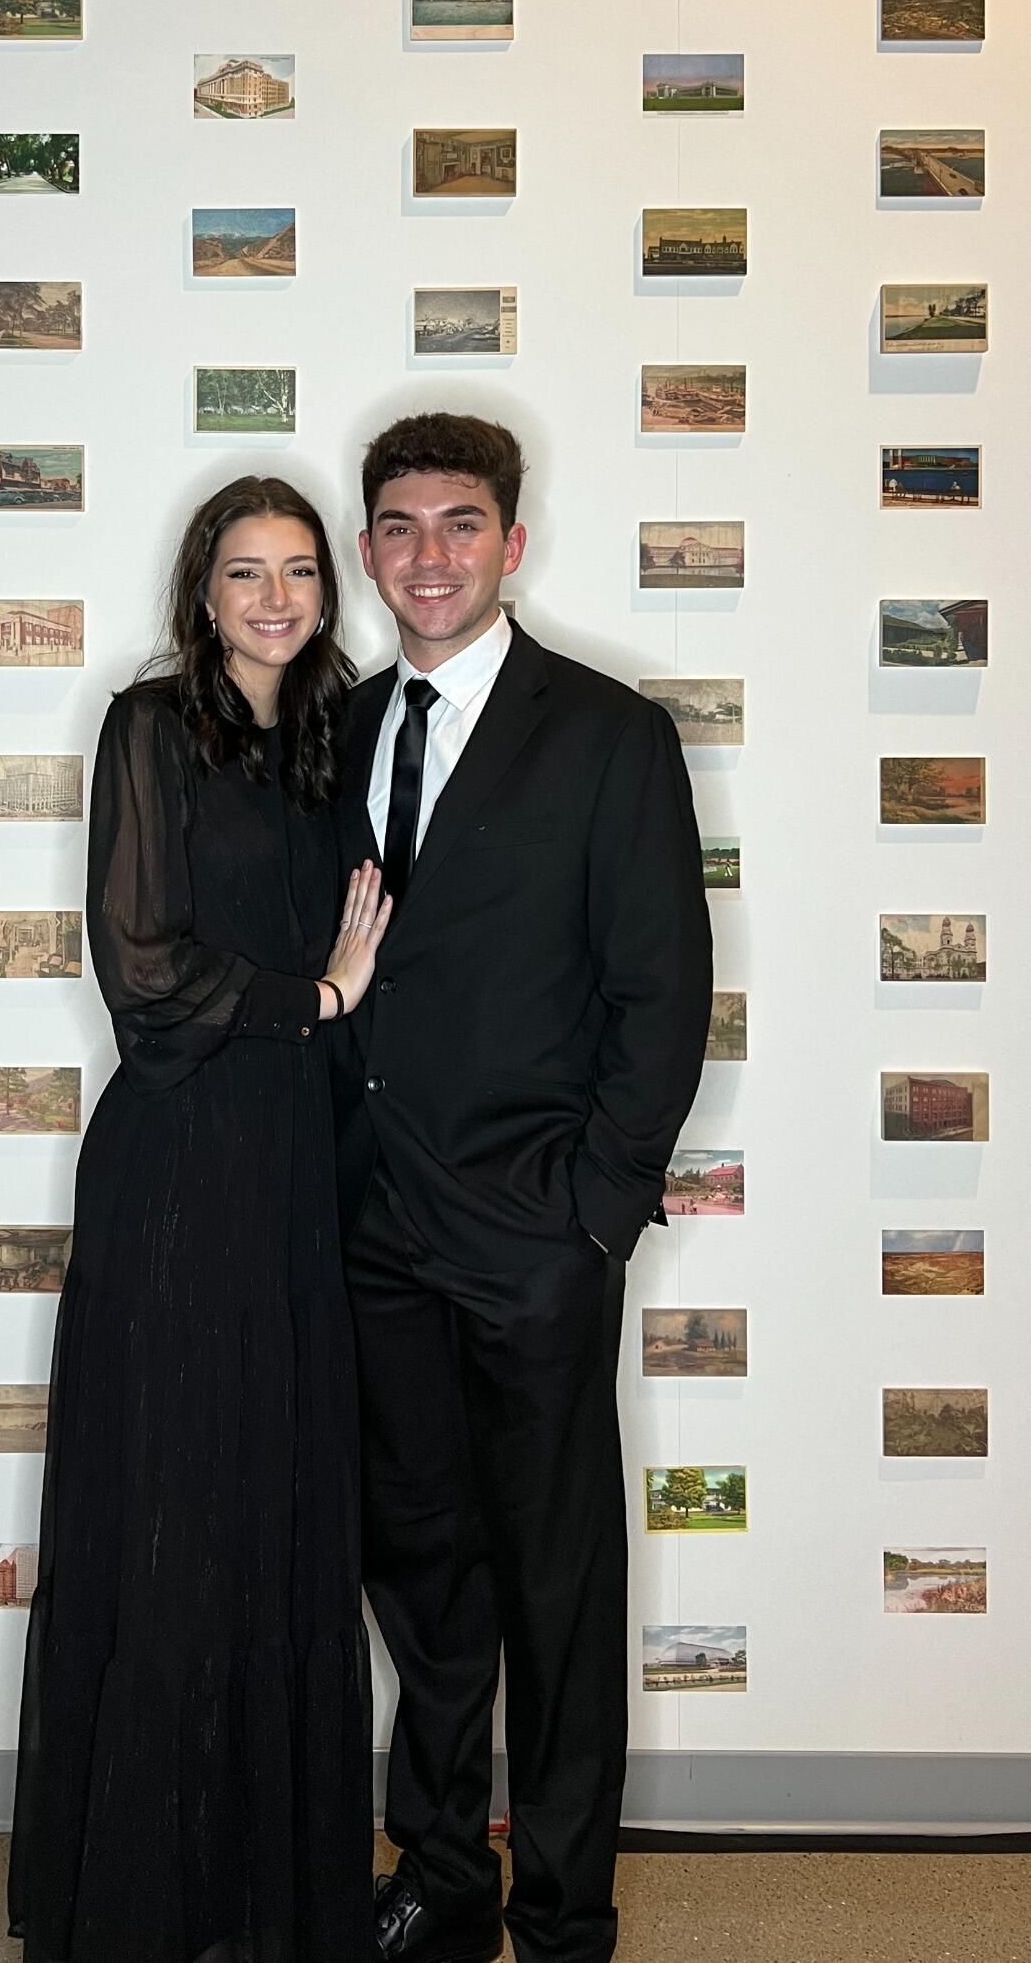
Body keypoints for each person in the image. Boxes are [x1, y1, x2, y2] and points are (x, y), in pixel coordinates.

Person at [334, 414, 713, 1963]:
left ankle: (562, 1914)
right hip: (367, 1237)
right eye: (400, 526)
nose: (429, 555)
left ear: (511, 543)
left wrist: (594, 1217)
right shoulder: (337, 730)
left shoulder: (610, 736)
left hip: (534, 1239)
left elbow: (661, 993)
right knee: (420, 1583)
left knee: (554, 1596)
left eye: (459, 524)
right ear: (368, 551)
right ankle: (439, 1877)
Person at [9, 475, 390, 1963]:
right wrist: (317, 998)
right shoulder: (151, 726)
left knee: (275, 1507)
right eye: (245, 573)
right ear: (202, 590)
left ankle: (261, 1879)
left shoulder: (338, 737)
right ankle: (142, 1893)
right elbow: (146, 971)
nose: (275, 598)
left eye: (298, 570)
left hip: (298, 1164)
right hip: (177, 1162)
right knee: (171, 1503)